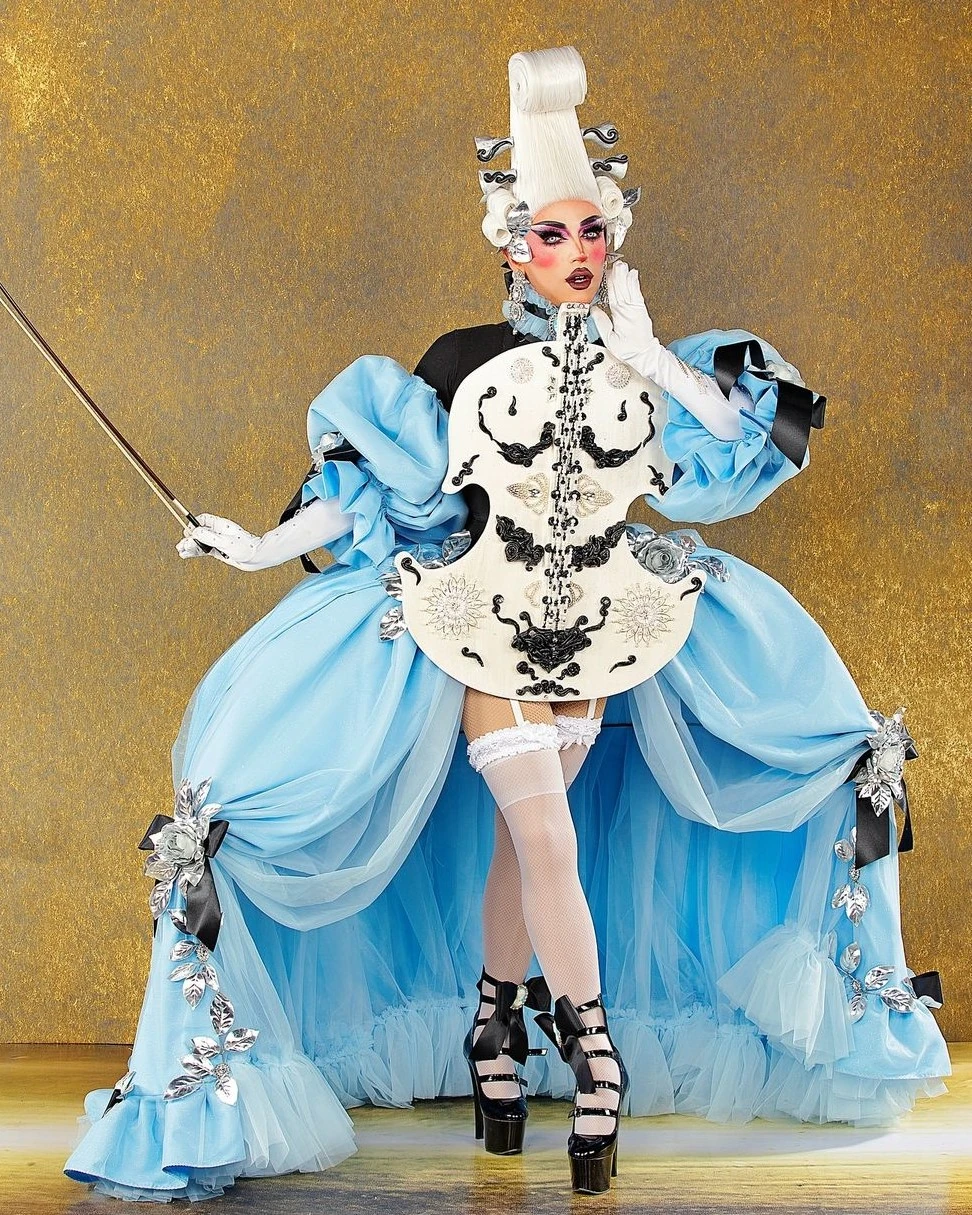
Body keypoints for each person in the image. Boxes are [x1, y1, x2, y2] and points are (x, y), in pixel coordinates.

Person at [64, 45, 949, 1203]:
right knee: (547, 843)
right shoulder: (462, 360)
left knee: (526, 849)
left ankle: (492, 1023)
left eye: (593, 232)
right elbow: (376, 484)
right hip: (482, 618)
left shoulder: (641, 363)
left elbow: (739, 449)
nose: (578, 252)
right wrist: (257, 546)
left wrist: (646, 356)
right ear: (511, 245)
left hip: (606, 623)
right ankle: (594, 1056)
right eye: (552, 233)